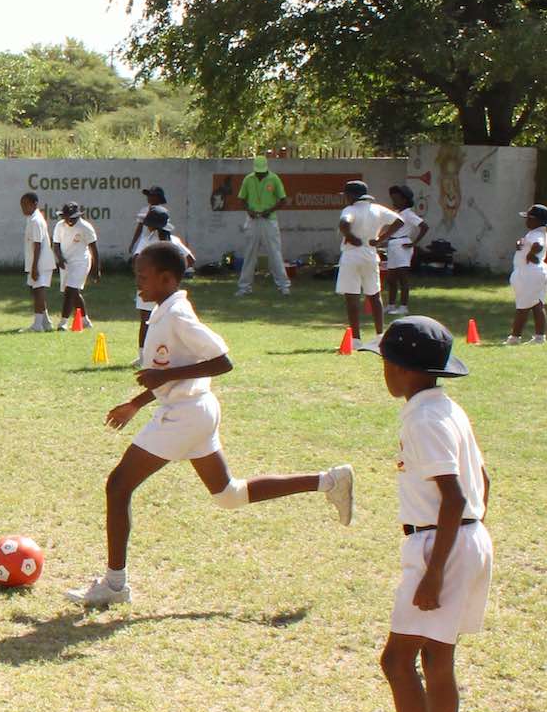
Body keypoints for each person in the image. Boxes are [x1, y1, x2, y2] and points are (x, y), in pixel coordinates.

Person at [65, 242, 355, 609]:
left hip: (185, 416)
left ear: (167, 279)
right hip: (194, 410)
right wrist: (136, 404)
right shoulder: (164, 311)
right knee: (229, 495)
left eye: (143, 277)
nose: (137, 283)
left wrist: (160, 377)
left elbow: (222, 361)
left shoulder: (177, 315)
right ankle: (329, 481)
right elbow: (171, 375)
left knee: (118, 485)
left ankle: (115, 584)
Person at [362, 316, 491, 712]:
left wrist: (436, 570)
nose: (384, 372)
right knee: (437, 657)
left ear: (402, 369)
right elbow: (483, 480)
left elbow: (453, 496)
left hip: (440, 545)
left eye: (386, 362)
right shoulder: (447, 408)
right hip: (465, 539)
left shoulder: (422, 419)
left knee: (396, 660)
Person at [336, 180, 402, 344]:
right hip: (370, 254)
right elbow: (399, 221)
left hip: (351, 255)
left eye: (346, 195)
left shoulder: (350, 209)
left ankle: (356, 339)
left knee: (352, 297)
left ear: (351, 196)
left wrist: (351, 238)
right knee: (374, 295)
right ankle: (380, 335)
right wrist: (381, 239)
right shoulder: (377, 209)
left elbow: (344, 223)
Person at [131, 206, 195, 351]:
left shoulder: (147, 241)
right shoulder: (174, 241)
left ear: (152, 226)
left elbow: (136, 259)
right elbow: (190, 259)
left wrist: (141, 278)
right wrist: (175, 276)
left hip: (149, 285)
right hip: (167, 288)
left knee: (145, 320)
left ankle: (143, 354)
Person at [236, 153, 293, 296]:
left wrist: (270, 210)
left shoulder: (274, 179)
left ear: (266, 168)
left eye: (262, 173)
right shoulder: (248, 179)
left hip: (269, 219)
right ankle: (244, 287)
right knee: (250, 253)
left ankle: (283, 285)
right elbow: (242, 198)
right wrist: (249, 211)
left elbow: (283, 200)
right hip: (253, 219)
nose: (260, 175)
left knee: (275, 252)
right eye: (258, 173)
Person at [506, 204, 547, 344]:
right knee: (537, 304)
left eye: (528, 218)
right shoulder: (539, 232)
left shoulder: (536, 234)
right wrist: (521, 242)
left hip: (529, 272)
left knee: (522, 307)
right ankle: (539, 337)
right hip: (537, 271)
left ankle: (515, 337)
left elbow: (537, 245)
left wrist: (531, 253)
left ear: (536, 220)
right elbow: (530, 243)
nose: (526, 221)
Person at [383, 184, 426, 317]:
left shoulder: (408, 214)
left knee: (402, 277)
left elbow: (424, 226)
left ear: (404, 200)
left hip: (402, 245)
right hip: (393, 245)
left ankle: (403, 306)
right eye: (392, 198)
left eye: (396, 199)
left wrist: (414, 243)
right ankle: (390, 305)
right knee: (391, 278)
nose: (393, 201)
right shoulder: (397, 214)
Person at [52, 202, 97, 327]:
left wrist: (96, 269)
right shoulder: (59, 226)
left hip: (81, 262)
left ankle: (63, 322)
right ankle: (85, 320)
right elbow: (56, 244)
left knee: (70, 290)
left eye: (72, 218)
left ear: (78, 216)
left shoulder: (85, 227)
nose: (69, 221)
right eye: (66, 218)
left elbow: (94, 249)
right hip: (66, 263)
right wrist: (60, 258)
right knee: (74, 293)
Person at [20, 192, 53, 331]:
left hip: (40, 263)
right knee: (34, 291)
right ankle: (46, 322)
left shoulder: (36, 220)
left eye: (26, 204)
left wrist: (34, 268)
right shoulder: (31, 219)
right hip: (36, 263)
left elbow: (37, 244)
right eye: (21, 205)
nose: (23, 208)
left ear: (34, 204)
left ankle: (37, 325)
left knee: (38, 291)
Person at [125, 185, 170, 260]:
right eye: (148, 195)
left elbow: (165, 230)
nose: (148, 197)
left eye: (151, 195)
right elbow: (139, 228)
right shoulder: (144, 210)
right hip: (145, 240)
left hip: (157, 240)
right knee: (136, 259)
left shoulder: (163, 212)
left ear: (158, 197)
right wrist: (133, 243)